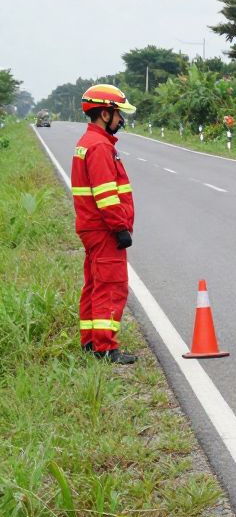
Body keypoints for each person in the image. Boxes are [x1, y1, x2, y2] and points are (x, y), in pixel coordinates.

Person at [72, 85, 138, 364]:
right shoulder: (99, 146)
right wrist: (120, 227)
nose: (121, 119)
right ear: (104, 114)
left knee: (95, 284)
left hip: (92, 227)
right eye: (118, 114)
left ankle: (90, 342)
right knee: (111, 285)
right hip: (104, 229)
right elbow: (106, 194)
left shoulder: (88, 142)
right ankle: (105, 348)